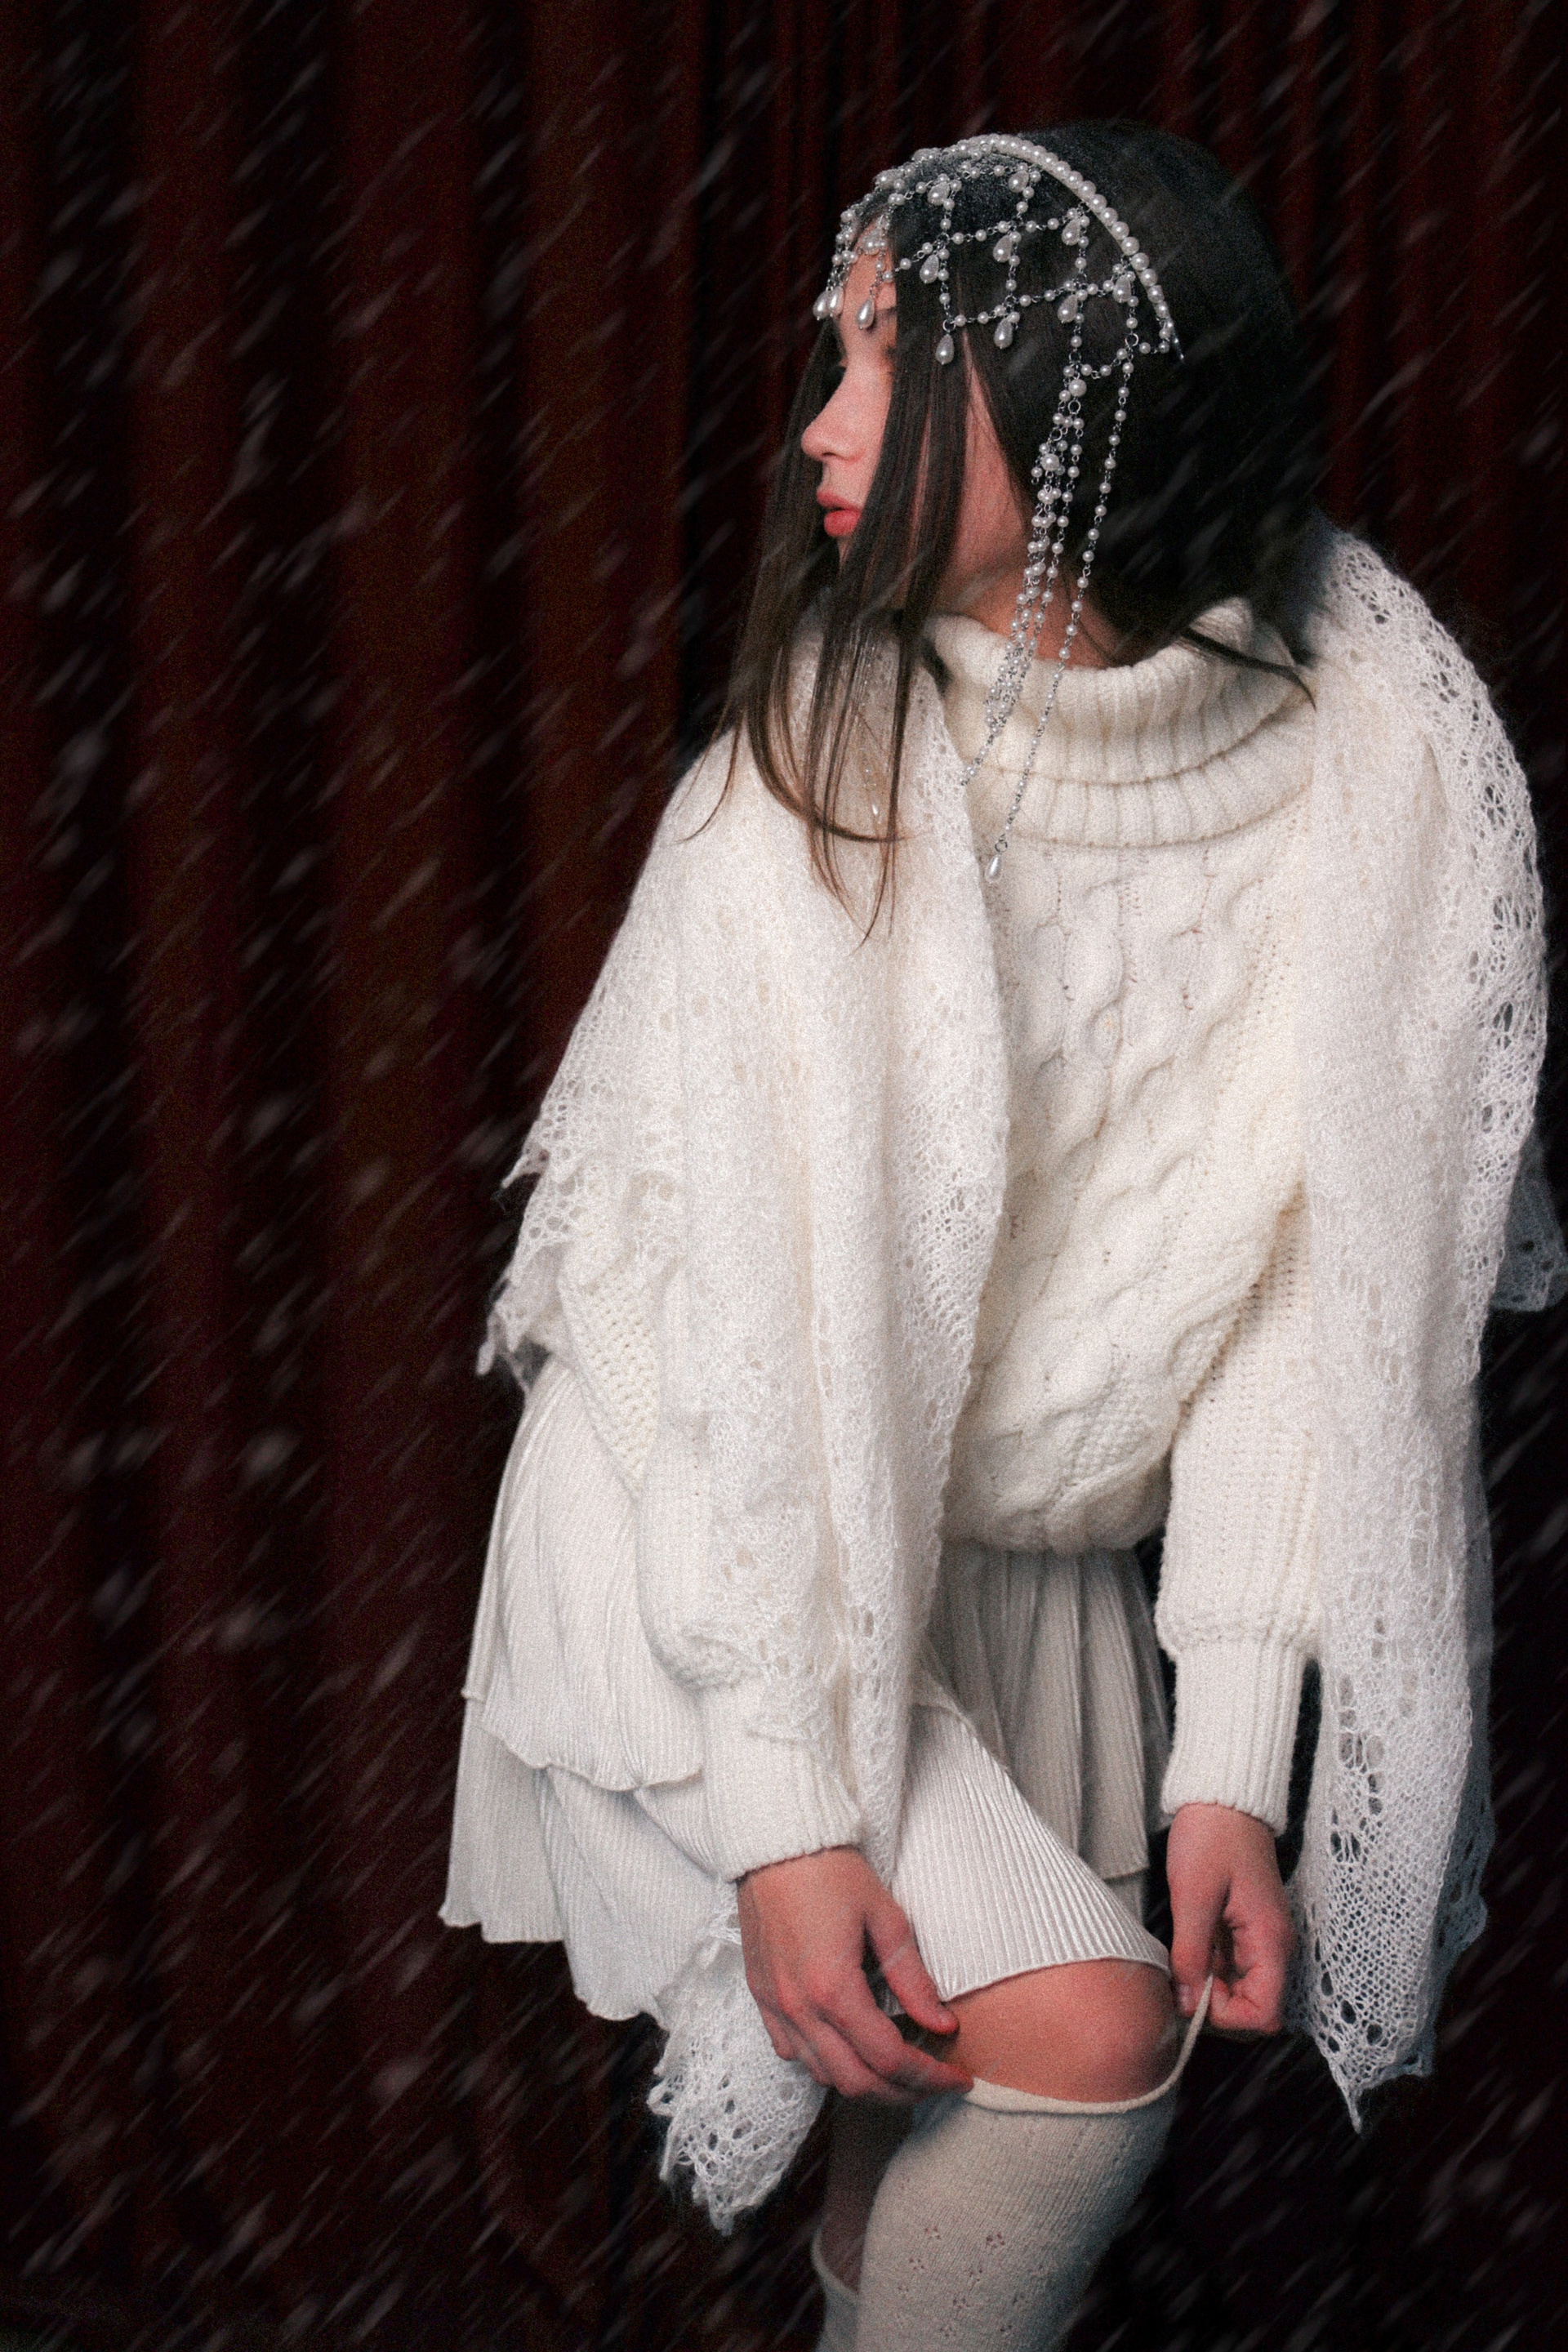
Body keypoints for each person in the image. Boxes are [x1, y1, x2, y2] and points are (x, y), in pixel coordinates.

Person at [442, 122, 1562, 2351]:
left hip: (1027, 1573)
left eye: (886, 360)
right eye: (834, 355)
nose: (818, 425)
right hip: (727, 1532)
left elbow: (1314, 1303)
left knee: (932, 2120)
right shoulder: (811, 785)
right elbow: (727, 1335)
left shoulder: (1375, 777)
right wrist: (790, 1809)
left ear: (1074, 409)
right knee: (1079, 2038)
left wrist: (1233, 1752)